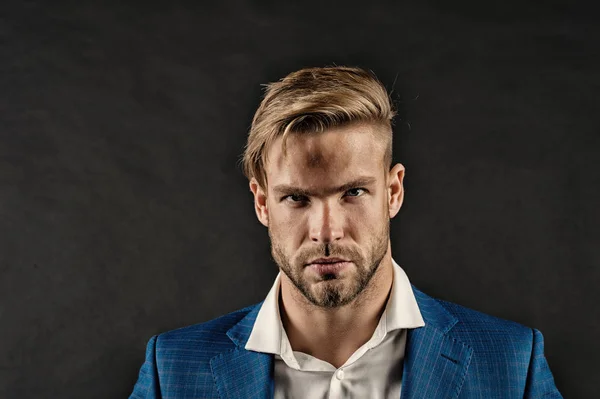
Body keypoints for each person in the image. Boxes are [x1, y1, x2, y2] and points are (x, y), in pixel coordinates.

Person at [129, 66, 562, 398]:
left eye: (353, 192)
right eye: (297, 198)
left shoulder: (509, 362)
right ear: (262, 203)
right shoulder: (173, 370)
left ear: (393, 192)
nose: (326, 231)